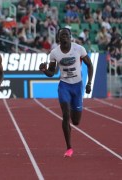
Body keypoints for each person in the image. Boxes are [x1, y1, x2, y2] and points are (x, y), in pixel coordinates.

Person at [39, 28, 93, 157]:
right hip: (64, 85)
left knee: (76, 121)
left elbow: (90, 65)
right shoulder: (54, 53)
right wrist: (44, 70)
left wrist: (89, 83)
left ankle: (74, 117)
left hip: (77, 86)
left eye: (66, 35)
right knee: (65, 114)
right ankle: (69, 147)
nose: (64, 37)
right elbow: (52, 73)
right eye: (61, 35)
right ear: (58, 38)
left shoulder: (79, 49)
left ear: (70, 37)